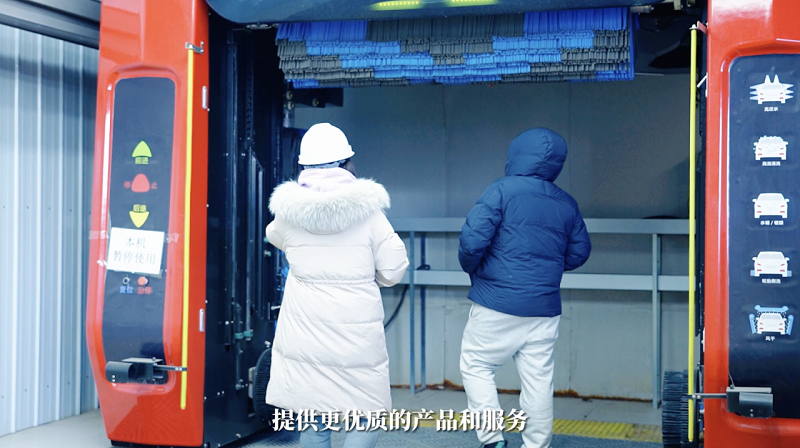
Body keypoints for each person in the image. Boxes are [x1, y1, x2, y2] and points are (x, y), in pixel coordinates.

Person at [265, 123, 409, 448]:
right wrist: (369, 278)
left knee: (314, 421)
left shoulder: (288, 214)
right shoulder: (369, 212)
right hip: (356, 339)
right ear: (347, 162)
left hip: (305, 338)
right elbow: (393, 269)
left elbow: (274, 235)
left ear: (304, 165)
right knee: (366, 416)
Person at [458, 128, 592, 448]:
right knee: (538, 381)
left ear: (516, 155)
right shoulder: (566, 203)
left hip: (495, 302)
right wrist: (546, 271)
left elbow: (472, 242)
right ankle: (536, 444)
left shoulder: (500, 191)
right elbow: (579, 252)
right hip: (544, 308)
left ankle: (492, 439)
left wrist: (476, 269)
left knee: (477, 366)